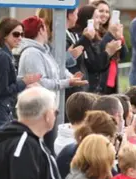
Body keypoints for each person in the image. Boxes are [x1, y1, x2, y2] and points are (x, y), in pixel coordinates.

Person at [0, 17, 40, 179]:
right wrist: (24, 82)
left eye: (22, 34)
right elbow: (3, 89)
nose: (19, 38)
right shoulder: (3, 57)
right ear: (5, 35)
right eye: (15, 34)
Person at [18, 15, 88, 155]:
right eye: (45, 27)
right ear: (40, 30)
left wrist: (70, 77)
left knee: (48, 150)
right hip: (38, 111)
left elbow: (57, 70)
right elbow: (42, 82)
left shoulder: (43, 51)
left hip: (46, 108)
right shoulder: (32, 53)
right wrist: (67, 82)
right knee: (42, 151)